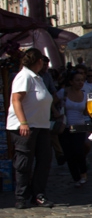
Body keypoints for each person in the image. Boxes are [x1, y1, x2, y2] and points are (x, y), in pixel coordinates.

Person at [7, 48, 55, 209]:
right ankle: (21, 196)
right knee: (24, 161)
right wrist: (23, 122)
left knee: (44, 159)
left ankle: (38, 194)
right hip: (26, 126)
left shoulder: (38, 78)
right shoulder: (24, 76)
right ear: (39, 61)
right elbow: (16, 100)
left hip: (41, 125)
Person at [57, 70, 89, 187]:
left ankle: (83, 173)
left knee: (78, 151)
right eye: (77, 80)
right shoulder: (63, 93)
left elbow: (86, 112)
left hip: (80, 126)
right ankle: (76, 177)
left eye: (82, 80)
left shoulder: (85, 94)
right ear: (71, 81)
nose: (80, 82)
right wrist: (57, 114)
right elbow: (51, 102)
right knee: (69, 154)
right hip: (65, 126)